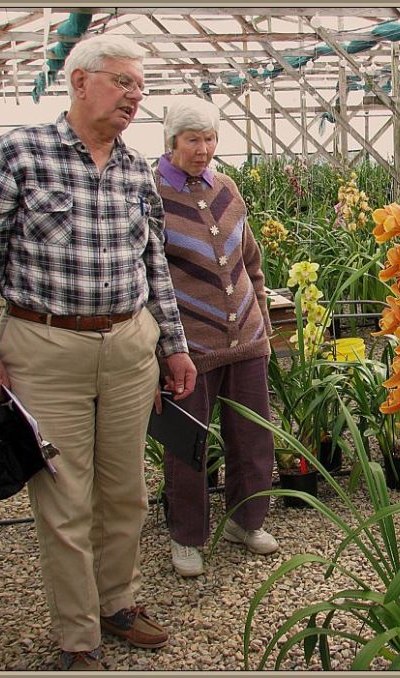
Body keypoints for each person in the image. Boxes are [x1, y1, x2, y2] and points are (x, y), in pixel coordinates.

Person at [0, 34, 197, 671]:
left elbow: (155, 267)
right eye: (123, 83)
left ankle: (118, 603)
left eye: (139, 87)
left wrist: (172, 346)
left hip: (127, 344)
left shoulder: (134, 170)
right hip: (45, 344)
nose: (134, 97)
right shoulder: (18, 154)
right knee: (64, 494)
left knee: (126, 492)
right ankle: (77, 636)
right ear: (80, 81)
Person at [155, 97, 278, 579]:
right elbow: (151, 275)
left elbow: (251, 262)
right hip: (189, 346)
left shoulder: (226, 189)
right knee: (187, 443)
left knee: (252, 437)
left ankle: (247, 522)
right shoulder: (152, 193)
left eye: (209, 139)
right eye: (193, 140)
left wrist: (262, 319)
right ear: (172, 142)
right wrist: (166, 346)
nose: (203, 149)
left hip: (246, 336)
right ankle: (187, 537)